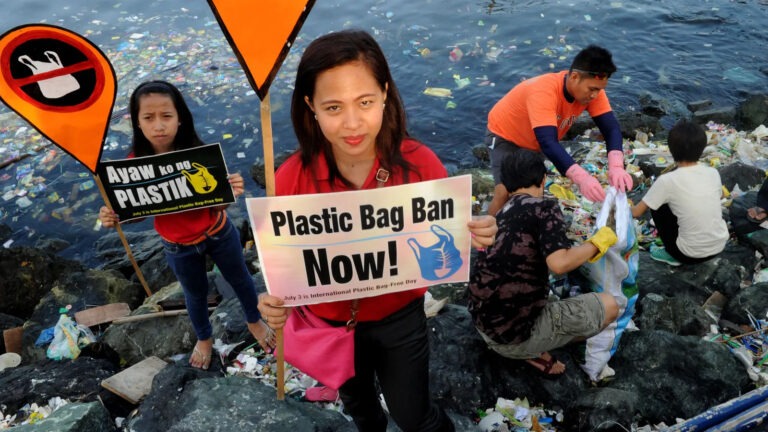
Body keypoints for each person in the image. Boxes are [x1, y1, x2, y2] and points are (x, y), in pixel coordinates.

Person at [256, 30, 497, 432]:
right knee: (362, 412)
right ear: (310, 106)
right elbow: (286, 265)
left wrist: (477, 232)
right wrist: (273, 303)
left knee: (414, 416)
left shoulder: (421, 167)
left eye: (365, 102)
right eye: (333, 107)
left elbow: (447, 246)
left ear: (385, 94)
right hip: (329, 325)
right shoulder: (290, 179)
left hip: (399, 319)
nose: (352, 123)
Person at [98, 80, 274, 370]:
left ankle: (253, 320)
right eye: (149, 118)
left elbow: (216, 204)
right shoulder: (133, 166)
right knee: (195, 293)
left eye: (166, 116)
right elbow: (139, 213)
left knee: (241, 278)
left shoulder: (198, 154)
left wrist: (230, 191)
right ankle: (204, 338)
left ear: (180, 118)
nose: (159, 126)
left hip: (217, 232)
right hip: (178, 246)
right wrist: (116, 215)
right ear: (137, 123)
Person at [468, 148, 619, 377]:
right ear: (543, 179)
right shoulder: (544, 208)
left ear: (507, 185)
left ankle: (528, 345)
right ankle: (533, 350)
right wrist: (597, 243)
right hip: (514, 338)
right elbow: (559, 264)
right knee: (610, 305)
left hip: (484, 325)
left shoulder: (499, 212)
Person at [485, 44, 633, 216]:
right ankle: (485, 236)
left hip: (535, 143)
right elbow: (548, 143)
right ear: (575, 76)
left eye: (599, 90)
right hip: (506, 136)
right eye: (592, 89)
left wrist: (616, 165)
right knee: (504, 191)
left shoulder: (593, 94)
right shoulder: (543, 91)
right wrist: (582, 178)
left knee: (533, 191)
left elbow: (611, 128)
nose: (595, 95)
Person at [630, 119, 728, 266]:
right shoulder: (713, 172)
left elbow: (636, 213)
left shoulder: (667, 180)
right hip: (719, 246)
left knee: (658, 206)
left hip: (688, 254)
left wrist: (617, 205)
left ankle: (671, 254)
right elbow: (719, 196)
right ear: (702, 149)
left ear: (671, 149)